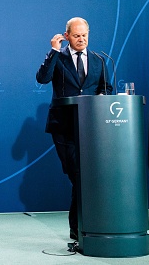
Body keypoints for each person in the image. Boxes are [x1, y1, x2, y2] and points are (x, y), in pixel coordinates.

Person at [35, 17, 112, 241]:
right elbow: (42, 78)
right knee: (78, 175)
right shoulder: (58, 57)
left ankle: (79, 230)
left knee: (85, 178)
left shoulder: (99, 60)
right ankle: (81, 228)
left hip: (92, 128)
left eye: (84, 35)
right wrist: (53, 51)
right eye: (77, 36)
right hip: (64, 127)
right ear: (66, 36)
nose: (81, 40)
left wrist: (101, 97)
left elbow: (106, 88)